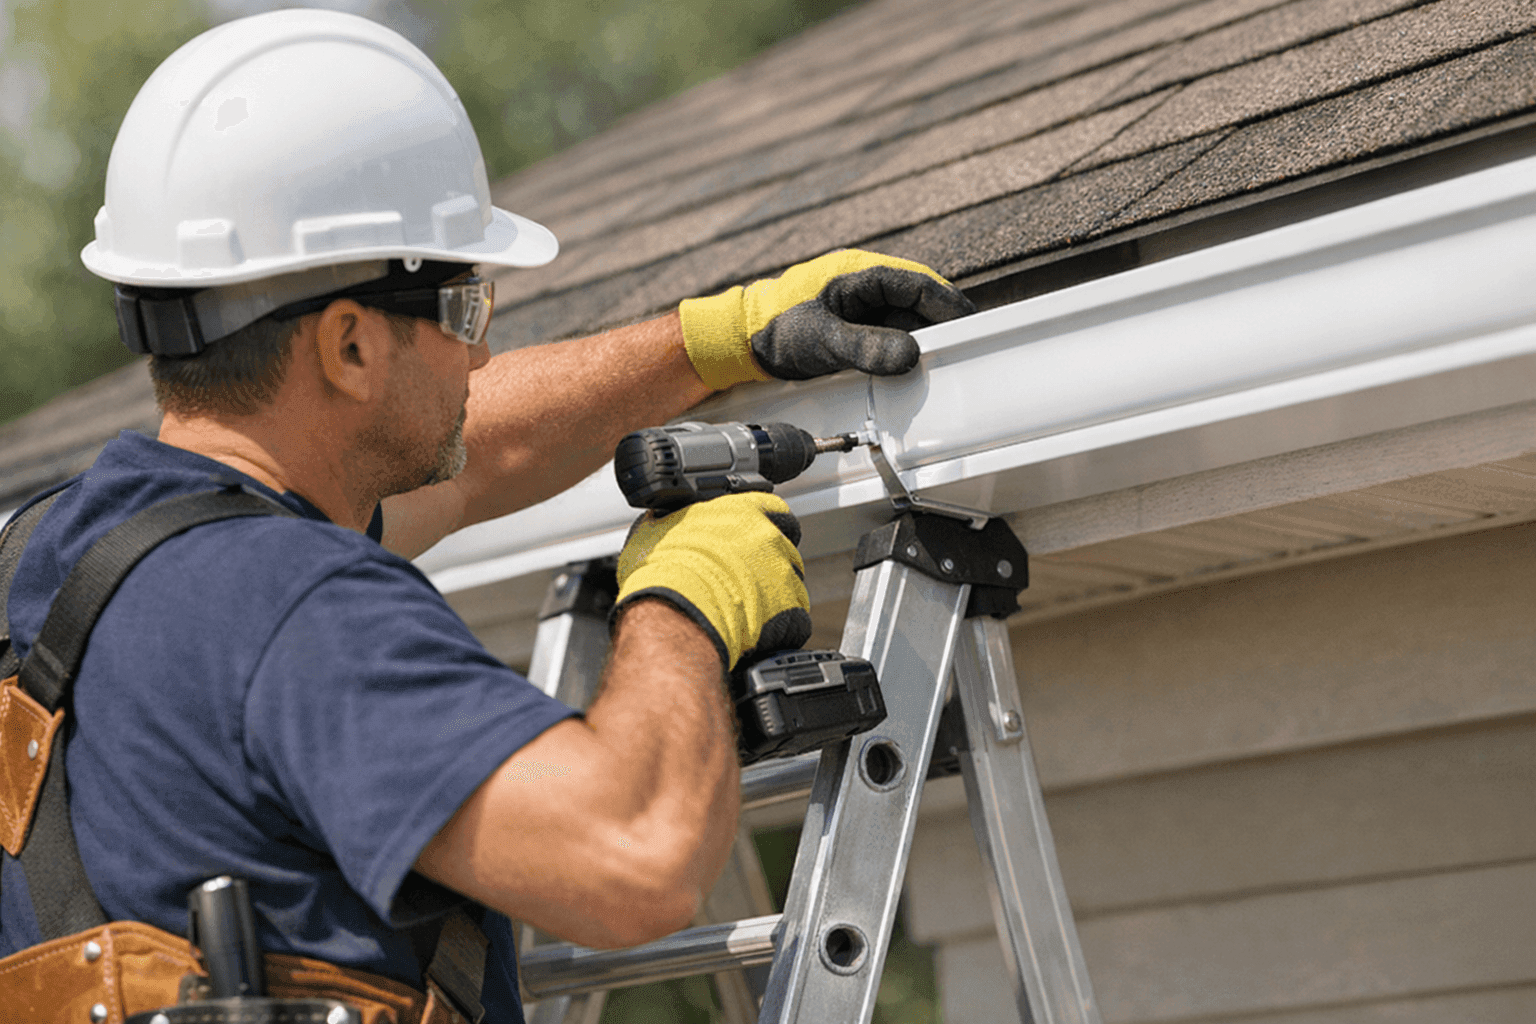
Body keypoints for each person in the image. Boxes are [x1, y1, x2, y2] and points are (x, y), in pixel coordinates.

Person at [0, 8, 973, 1022]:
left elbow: (470, 458)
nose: (477, 356)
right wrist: (686, 601)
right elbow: (635, 855)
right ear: (347, 347)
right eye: (466, 311)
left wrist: (715, 342)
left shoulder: (54, 565)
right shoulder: (299, 606)